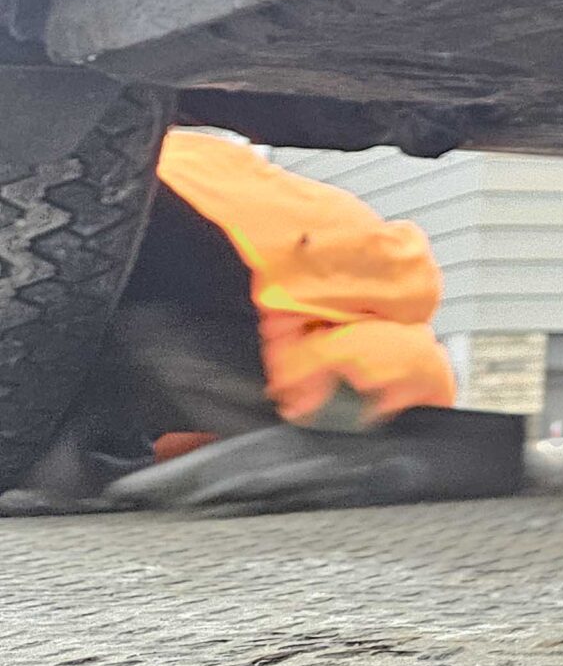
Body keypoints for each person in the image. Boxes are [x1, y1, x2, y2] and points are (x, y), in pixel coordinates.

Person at [6, 133, 520, 514]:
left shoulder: (94, 202)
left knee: (135, 341)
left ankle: (358, 451)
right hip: (306, 327)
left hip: (323, 357)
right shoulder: (91, 155)